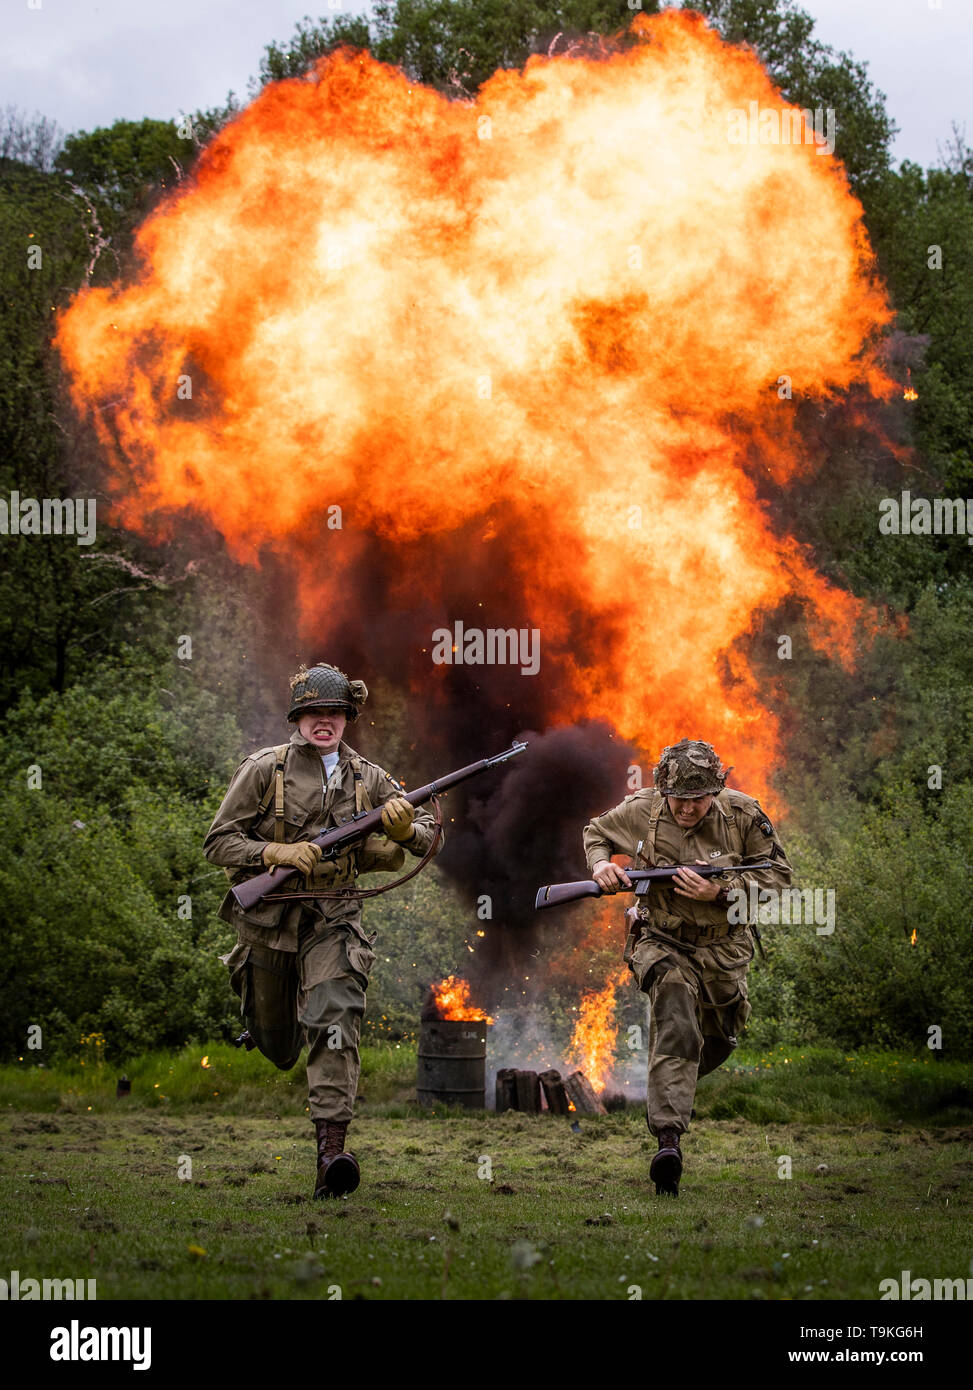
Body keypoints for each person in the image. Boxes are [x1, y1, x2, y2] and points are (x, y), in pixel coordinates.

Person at [203, 662, 442, 1198]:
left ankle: (332, 1154)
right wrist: (274, 851)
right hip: (268, 922)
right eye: (314, 712)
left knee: (335, 1014)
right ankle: (264, 1027)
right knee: (277, 1043)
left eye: (334, 712)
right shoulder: (265, 770)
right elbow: (217, 842)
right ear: (297, 717)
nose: (324, 722)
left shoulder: (371, 778)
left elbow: (430, 841)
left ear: (347, 718)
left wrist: (405, 831)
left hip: (335, 917)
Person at [582, 738, 792, 1196]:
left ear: (715, 792)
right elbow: (596, 832)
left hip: (723, 953)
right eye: (679, 799)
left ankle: (669, 1087)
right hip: (662, 941)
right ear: (664, 791)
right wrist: (603, 867)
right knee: (676, 1014)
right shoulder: (642, 809)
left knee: (718, 1040)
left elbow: (780, 880)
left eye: (698, 799)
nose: (688, 808)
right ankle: (668, 1142)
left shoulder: (743, 815)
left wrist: (722, 892)